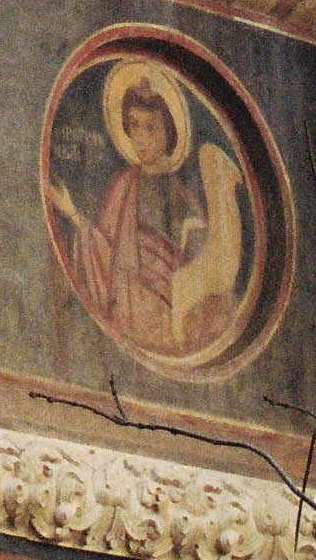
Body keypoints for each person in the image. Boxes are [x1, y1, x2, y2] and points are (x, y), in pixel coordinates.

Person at [55, 57, 251, 362]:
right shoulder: (122, 186)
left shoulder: (182, 193)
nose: (141, 139)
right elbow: (107, 255)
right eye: (133, 127)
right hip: (130, 307)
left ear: (169, 132)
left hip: (171, 313)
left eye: (151, 128)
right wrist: (73, 216)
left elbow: (203, 264)